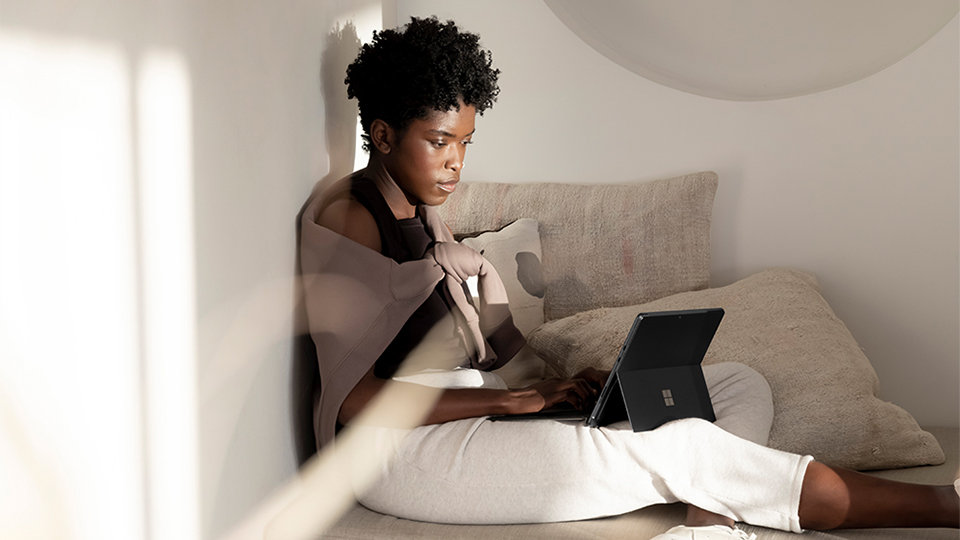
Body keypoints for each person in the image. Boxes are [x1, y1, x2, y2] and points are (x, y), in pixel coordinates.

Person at [299, 16, 960, 540]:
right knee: (688, 449)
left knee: (738, 381)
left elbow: (475, 342)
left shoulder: (418, 207)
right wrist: (510, 402)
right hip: (405, 456)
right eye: (439, 140)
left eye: (466, 142)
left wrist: (559, 388)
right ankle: (944, 506)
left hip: (475, 412)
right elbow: (356, 401)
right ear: (382, 135)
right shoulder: (350, 219)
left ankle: (709, 522)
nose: (455, 163)